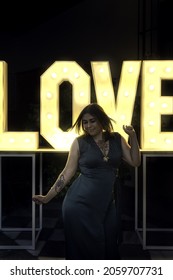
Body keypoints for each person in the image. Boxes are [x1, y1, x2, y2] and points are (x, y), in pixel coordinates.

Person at [32, 103, 141, 260]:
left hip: (106, 205)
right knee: (83, 252)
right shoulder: (79, 143)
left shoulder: (117, 139)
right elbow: (67, 172)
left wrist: (133, 136)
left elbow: (135, 161)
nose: (88, 125)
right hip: (78, 205)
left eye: (92, 120)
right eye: (85, 122)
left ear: (102, 121)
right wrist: (46, 198)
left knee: (108, 246)